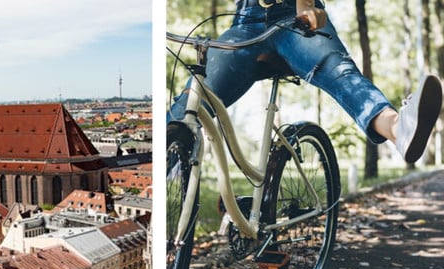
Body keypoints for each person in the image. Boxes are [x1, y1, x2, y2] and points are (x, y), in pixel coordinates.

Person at [168, 0, 443, 163]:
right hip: (244, 22)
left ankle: (398, 128)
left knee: (338, 71)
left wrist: (306, 5)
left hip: (296, 15)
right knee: (188, 108)